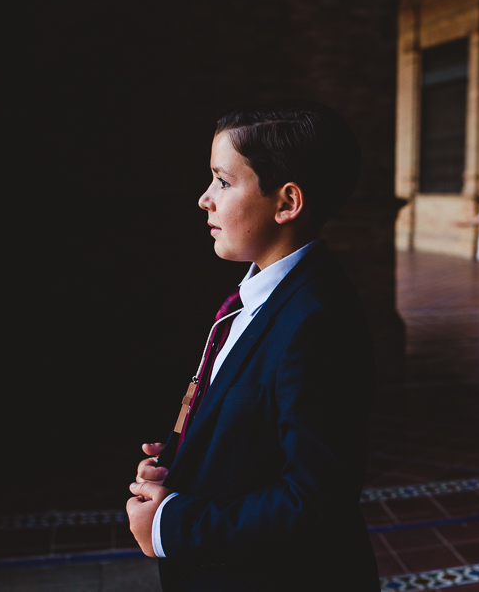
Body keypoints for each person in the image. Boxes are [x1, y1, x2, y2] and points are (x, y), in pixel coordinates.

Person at [125, 101, 378, 591]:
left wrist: (168, 524)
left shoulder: (318, 322)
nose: (204, 199)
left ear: (287, 203)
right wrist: (180, 463)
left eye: (223, 181)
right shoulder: (254, 297)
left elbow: (314, 501)